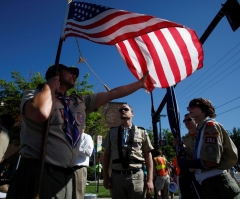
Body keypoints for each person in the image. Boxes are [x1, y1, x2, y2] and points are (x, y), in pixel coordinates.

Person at [6, 64, 149, 199]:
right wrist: (49, 87)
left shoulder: (79, 101)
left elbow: (113, 94)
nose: (74, 75)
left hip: (66, 174)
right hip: (37, 171)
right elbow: (39, 113)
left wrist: (139, 84)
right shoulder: (34, 95)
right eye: (70, 71)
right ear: (56, 74)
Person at [178, 98, 240, 199]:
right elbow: (201, 157)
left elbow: (211, 161)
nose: (189, 109)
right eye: (189, 107)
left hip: (219, 184)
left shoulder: (210, 126)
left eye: (193, 106)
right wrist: (183, 148)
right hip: (210, 184)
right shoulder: (202, 129)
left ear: (204, 108)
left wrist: (186, 163)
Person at [102, 103, 154, 199]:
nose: (123, 111)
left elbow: (148, 156)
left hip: (137, 176)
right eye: (120, 110)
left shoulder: (142, 132)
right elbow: (106, 155)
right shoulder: (112, 132)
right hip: (116, 177)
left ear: (132, 113)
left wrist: (150, 179)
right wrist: (106, 176)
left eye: (125, 109)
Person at [174, 113, 201, 199]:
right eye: (184, 120)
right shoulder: (183, 139)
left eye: (189, 119)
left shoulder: (202, 135)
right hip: (189, 174)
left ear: (196, 121)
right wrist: (177, 146)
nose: (186, 122)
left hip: (203, 172)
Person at [72, 130, 94, 199]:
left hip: (79, 169)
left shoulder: (87, 137)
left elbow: (88, 152)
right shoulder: (70, 136)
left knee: (78, 195)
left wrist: (74, 148)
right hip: (67, 167)